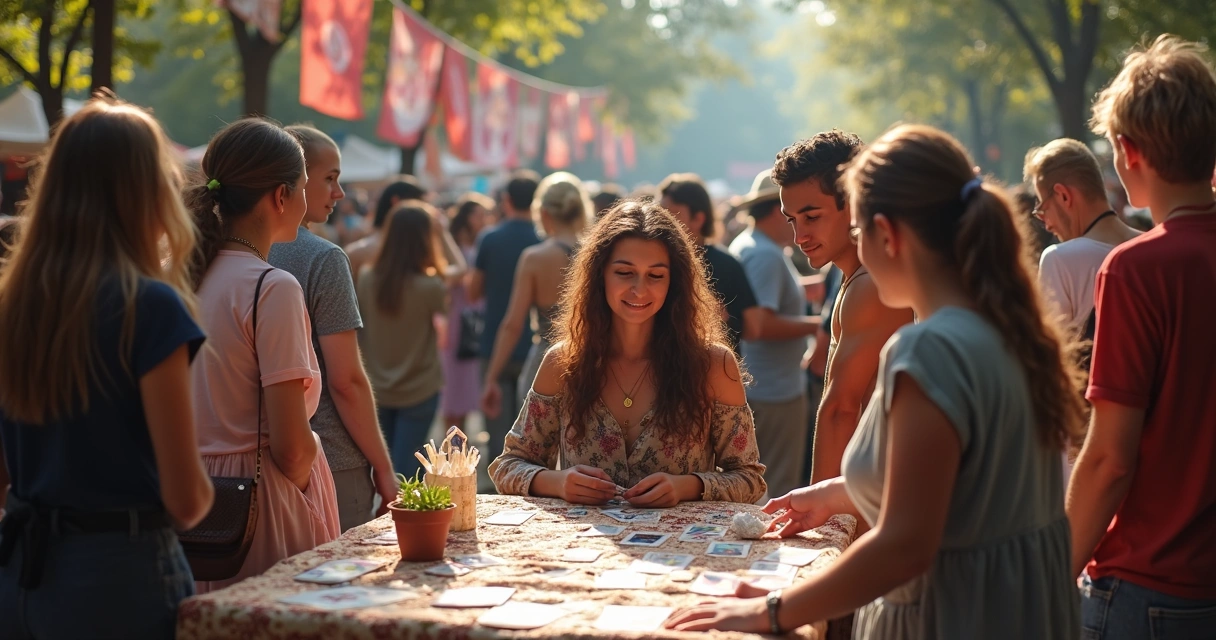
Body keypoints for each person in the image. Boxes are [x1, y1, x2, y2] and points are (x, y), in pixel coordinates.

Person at [668, 123, 1084, 639]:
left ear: (886, 233)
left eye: (860, 229)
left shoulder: (929, 348)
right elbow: (947, 483)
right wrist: (829, 495)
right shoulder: (1009, 326)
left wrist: (775, 610)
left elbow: (905, 543)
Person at [0, 98, 213, 639]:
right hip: (119, 576)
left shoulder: (12, 306)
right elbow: (187, 500)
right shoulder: (149, 307)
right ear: (149, 191)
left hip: (21, 575)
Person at [1068, 35, 1216, 638]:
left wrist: (1052, 568)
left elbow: (1108, 459)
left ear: (1128, 151)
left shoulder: (1135, 267)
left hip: (1147, 581)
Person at [488, 200, 766, 505]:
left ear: (675, 283)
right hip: (582, 551)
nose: (639, 289)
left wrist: (688, 487)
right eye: (624, 272)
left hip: (682, 551)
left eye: (656, 276)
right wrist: (556, 482)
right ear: (599, 275)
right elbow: (507, 466)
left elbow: (750, 480)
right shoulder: (563, 362)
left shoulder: (712, 364)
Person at [187, 118, 341, 593]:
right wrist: (310, 461)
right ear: (280, 196)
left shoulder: (180, 276)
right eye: (301, 187)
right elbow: (292, 447)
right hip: (260, 503)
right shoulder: (270, 287)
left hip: (188, 494)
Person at [267, 126, 396, 532]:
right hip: (328, 461)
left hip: (242, 462)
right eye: (329, 178)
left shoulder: (210, 253)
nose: (339, 192)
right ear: (294, 182)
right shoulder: (322, 258)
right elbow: (346, 381)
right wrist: (384, 467)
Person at [769, 132, 914, 486]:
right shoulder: (860, 277)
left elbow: (840, 409)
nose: (799, 236)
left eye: (812, 216)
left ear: (852, 202)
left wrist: (818, 519)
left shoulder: (870, 284)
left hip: (886, 484)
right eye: (792, 220)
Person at [729, 170, 820, 498]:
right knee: (778, 485)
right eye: (792, 214)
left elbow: (773, 300)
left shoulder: (755, 246)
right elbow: (761, 325)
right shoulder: (765, 255)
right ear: (774, 211)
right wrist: (823, 324)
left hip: (767, 386)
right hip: (774, 391)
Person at [481, 172, 591, 421]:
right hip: (590, 361)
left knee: (536, 446)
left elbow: (512, 324)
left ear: (543, 213)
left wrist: (491, 377)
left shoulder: (535, 258)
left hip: (545, 362)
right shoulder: (597, 254)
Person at [356, 202, 449, 480]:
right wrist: (443, 232)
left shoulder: (366, 278)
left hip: (375, 387)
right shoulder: (431, 285)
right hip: (420, 386)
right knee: (408, 473)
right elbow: (458, 271)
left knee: (384, 471)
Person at [1024, 139, 1140, 339]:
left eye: (1043, 209)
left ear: (1063, 196)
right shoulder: (1153, 244)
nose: (1047, 224)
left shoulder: (1059, 260)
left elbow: (1056, 357)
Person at [467, 171, 542, 468]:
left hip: (494, 343)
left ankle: (500, 483)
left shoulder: (490, 238)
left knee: (499, 432)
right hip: (536, 349)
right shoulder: (543, 242)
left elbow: (474, 291)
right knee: (533, 434)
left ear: (507, 200)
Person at [658, 173, 759, 356]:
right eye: (659, 214)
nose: (661, 224)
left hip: (714, 373)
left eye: (670, 216)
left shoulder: (727, 265)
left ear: (698, 218)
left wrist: (719, 320)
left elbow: (753, 329)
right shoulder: (653, 262)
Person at [440, 194, 492, 432]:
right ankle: (452, 443)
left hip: (471, 319)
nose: (484, 220)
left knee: (466, 384)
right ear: (468, 217)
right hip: (456, 319)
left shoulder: (480, 243)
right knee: (453, 385)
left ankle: (459, 445)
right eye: (480, 215)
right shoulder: (452, 245)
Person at [344, 177, 426, 280]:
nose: (426, 214)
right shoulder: (414, 250)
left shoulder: (356, 250)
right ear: (396, 202)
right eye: (420, 206)